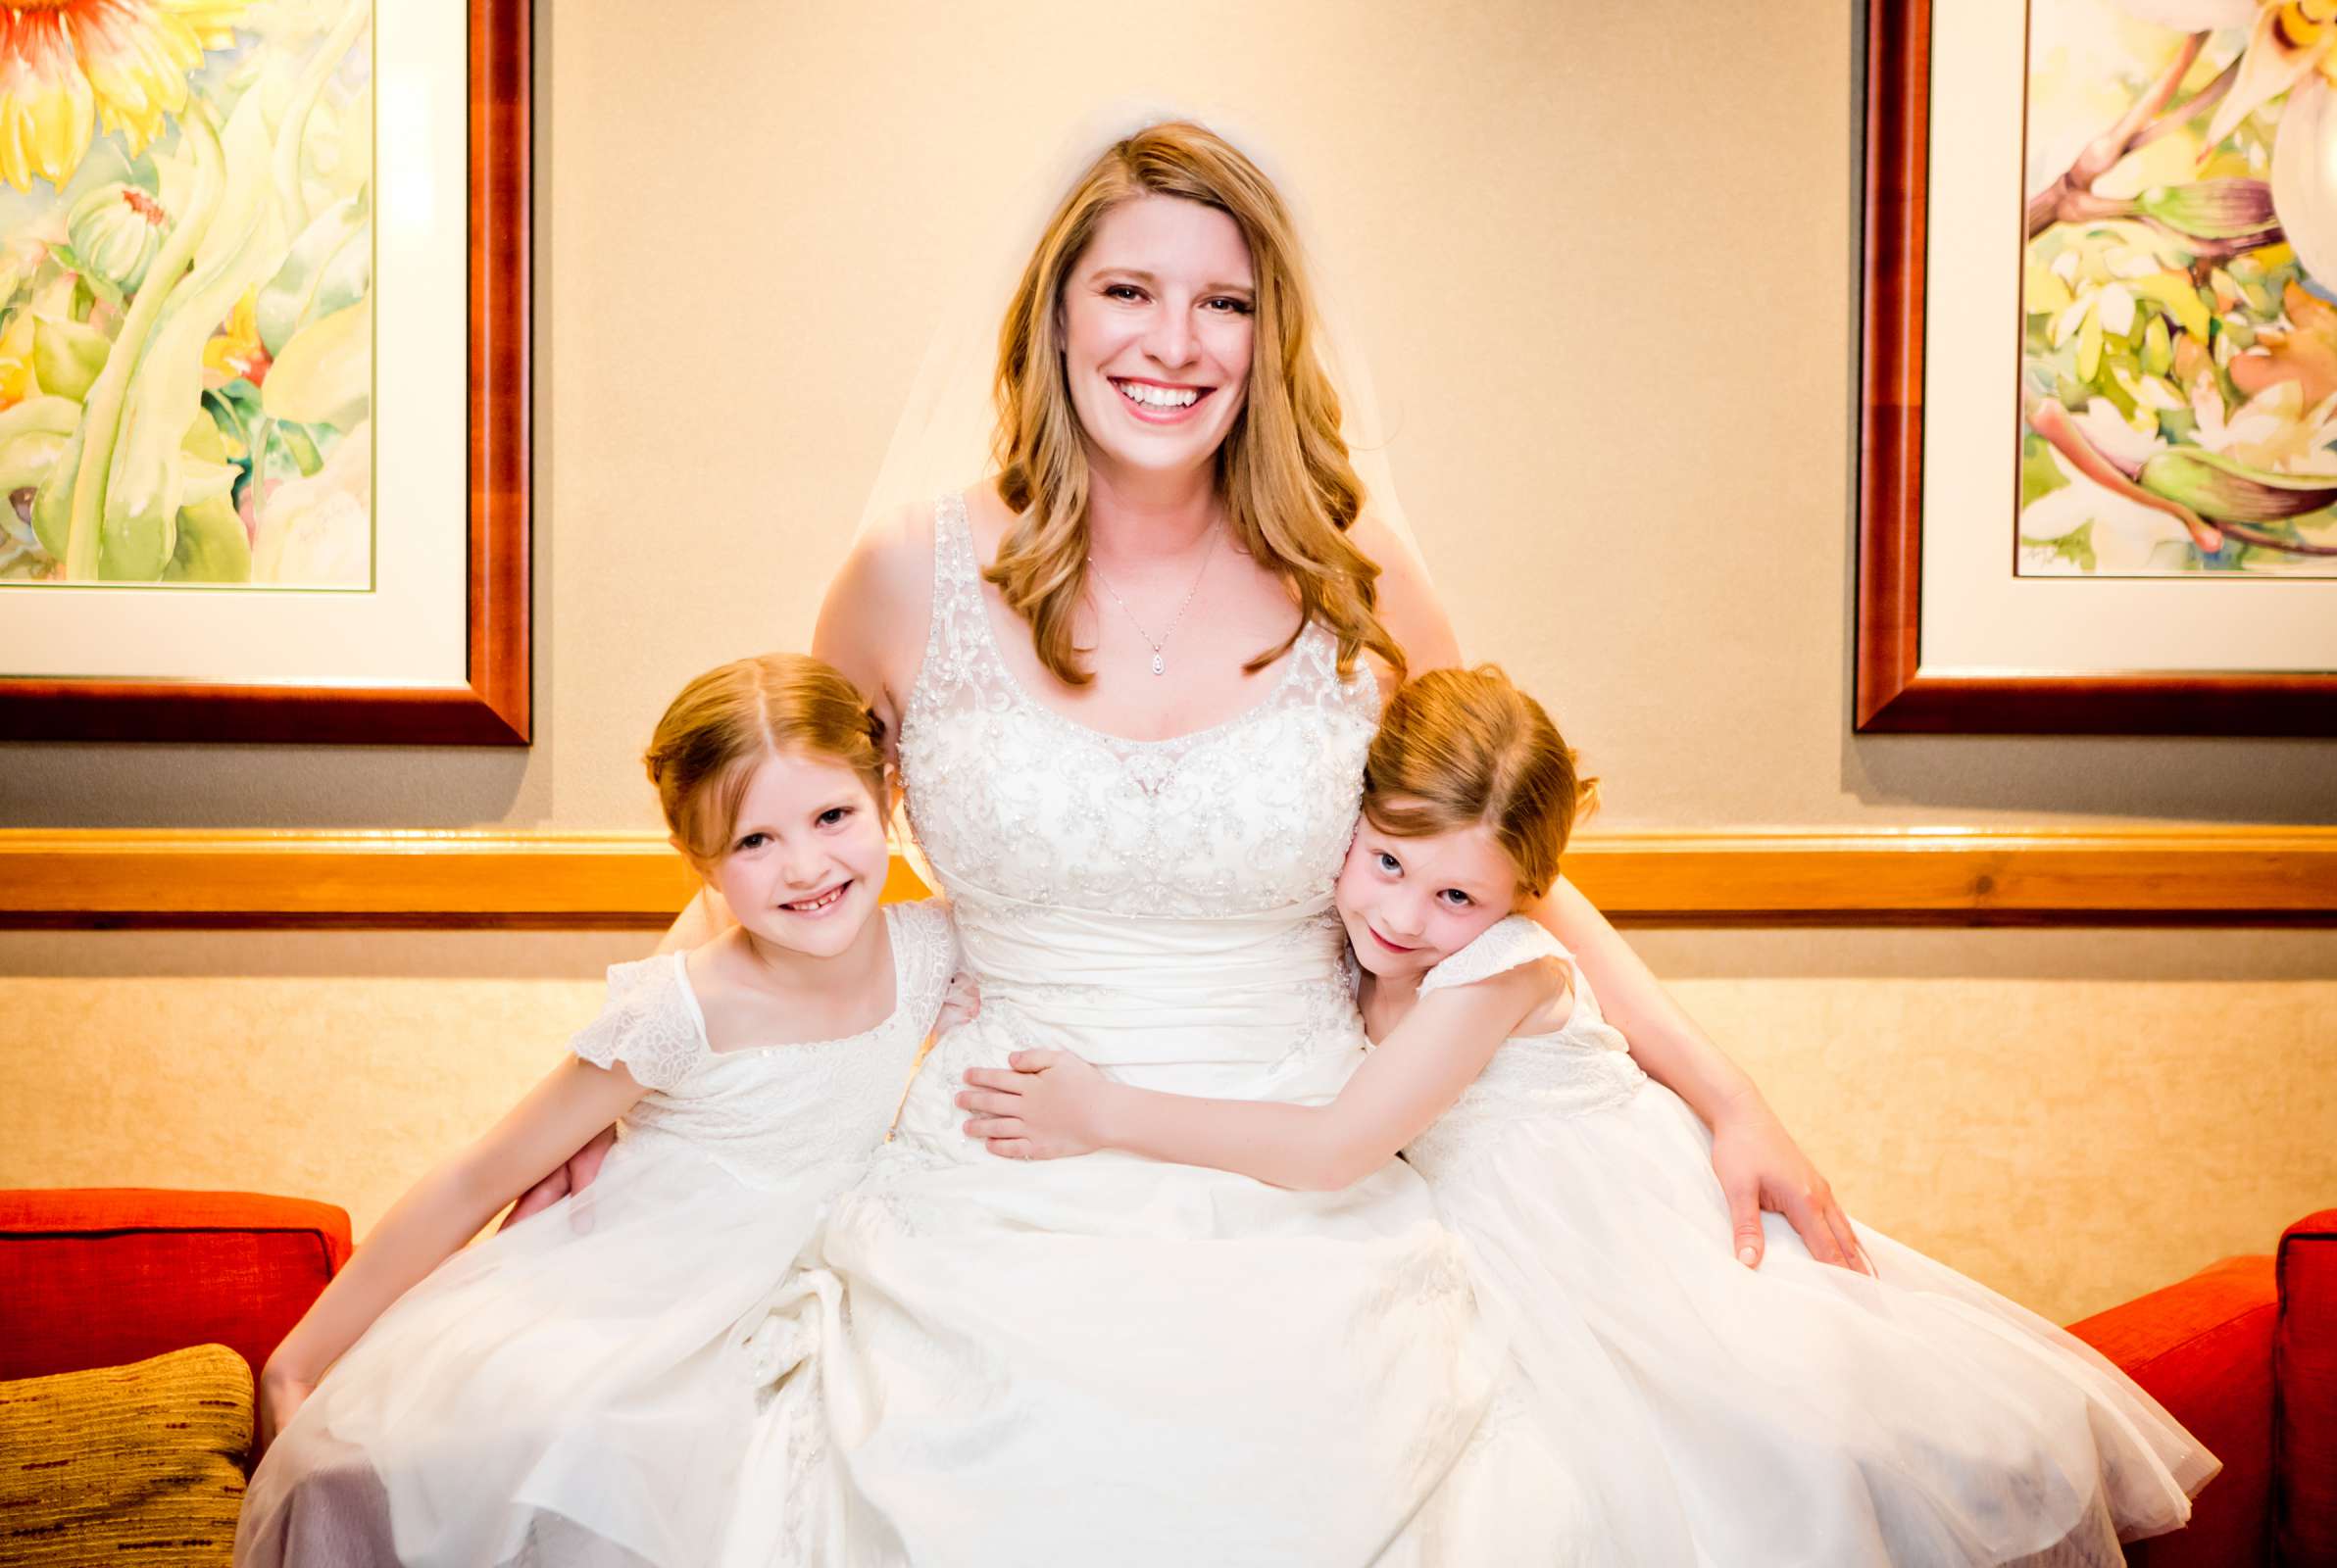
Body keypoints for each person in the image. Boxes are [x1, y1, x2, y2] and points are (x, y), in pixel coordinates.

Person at [529, 119, 1874, 1563]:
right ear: (1053, 312)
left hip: (1315, 1153)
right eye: (1128, 291)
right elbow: (772, 857)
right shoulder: (902, 576)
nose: (1174, 342)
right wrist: (629, 1077)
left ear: (1269, 335)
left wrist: (1726, 1090)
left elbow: (1497, 876)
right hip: (993, 1155)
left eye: (1223, 303)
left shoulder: (1361, 582)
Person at [956, 663, 2222, 1566]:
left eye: (1456, 895)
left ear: (1519, 897)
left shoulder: (1494, 971)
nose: (1402, 916)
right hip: (1511, 1242)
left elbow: (1336, 1145)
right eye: (1387, 863)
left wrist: (1104, 1111)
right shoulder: (1381, 923)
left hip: (1627, 1249)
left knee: (1758, 1483)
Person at [235, 654, 958, 1568]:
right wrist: (295, 1363)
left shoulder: (937, 947)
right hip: (644, 1299)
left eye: (831, 816)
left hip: (828, 1289)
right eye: (753, 842)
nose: (806, 866)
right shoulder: (675, 1010)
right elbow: (476, 1177)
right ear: (699, 861)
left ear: (885, 798)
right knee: (508, 1468)